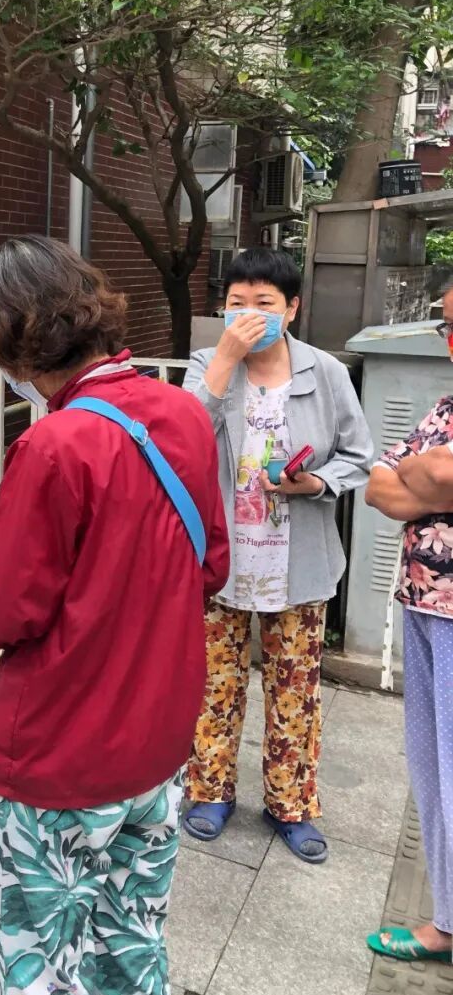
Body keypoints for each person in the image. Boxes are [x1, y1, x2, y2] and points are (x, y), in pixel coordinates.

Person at [0, 236, 229, 995]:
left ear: (14, 336)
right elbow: (212, 565)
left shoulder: (54, 445)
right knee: (134, 951)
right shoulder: (182, 414)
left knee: (41, 983)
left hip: (56, 759)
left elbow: (1, 616)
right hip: (156, 749)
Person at [182, 248, 373, 864]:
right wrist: (225, 358)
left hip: (300, 559)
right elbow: (182, 437)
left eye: (264, 302)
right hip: (222, 560)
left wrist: (315, 483)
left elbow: (358, 455)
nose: (248, 313)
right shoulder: (207, 365)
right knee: (214, 683)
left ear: (292, 308)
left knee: (296, 688)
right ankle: (209, 792)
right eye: (236, 302)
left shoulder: (326, 372)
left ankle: (291, 805)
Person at [365, 280, 453, 964]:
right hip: (423, 605)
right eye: (448, 327)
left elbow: (428, 474)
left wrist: (423, 473)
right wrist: (430, 475)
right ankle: (446, 918)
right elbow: (380, 485)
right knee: (431, 767)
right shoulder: (447, 405)